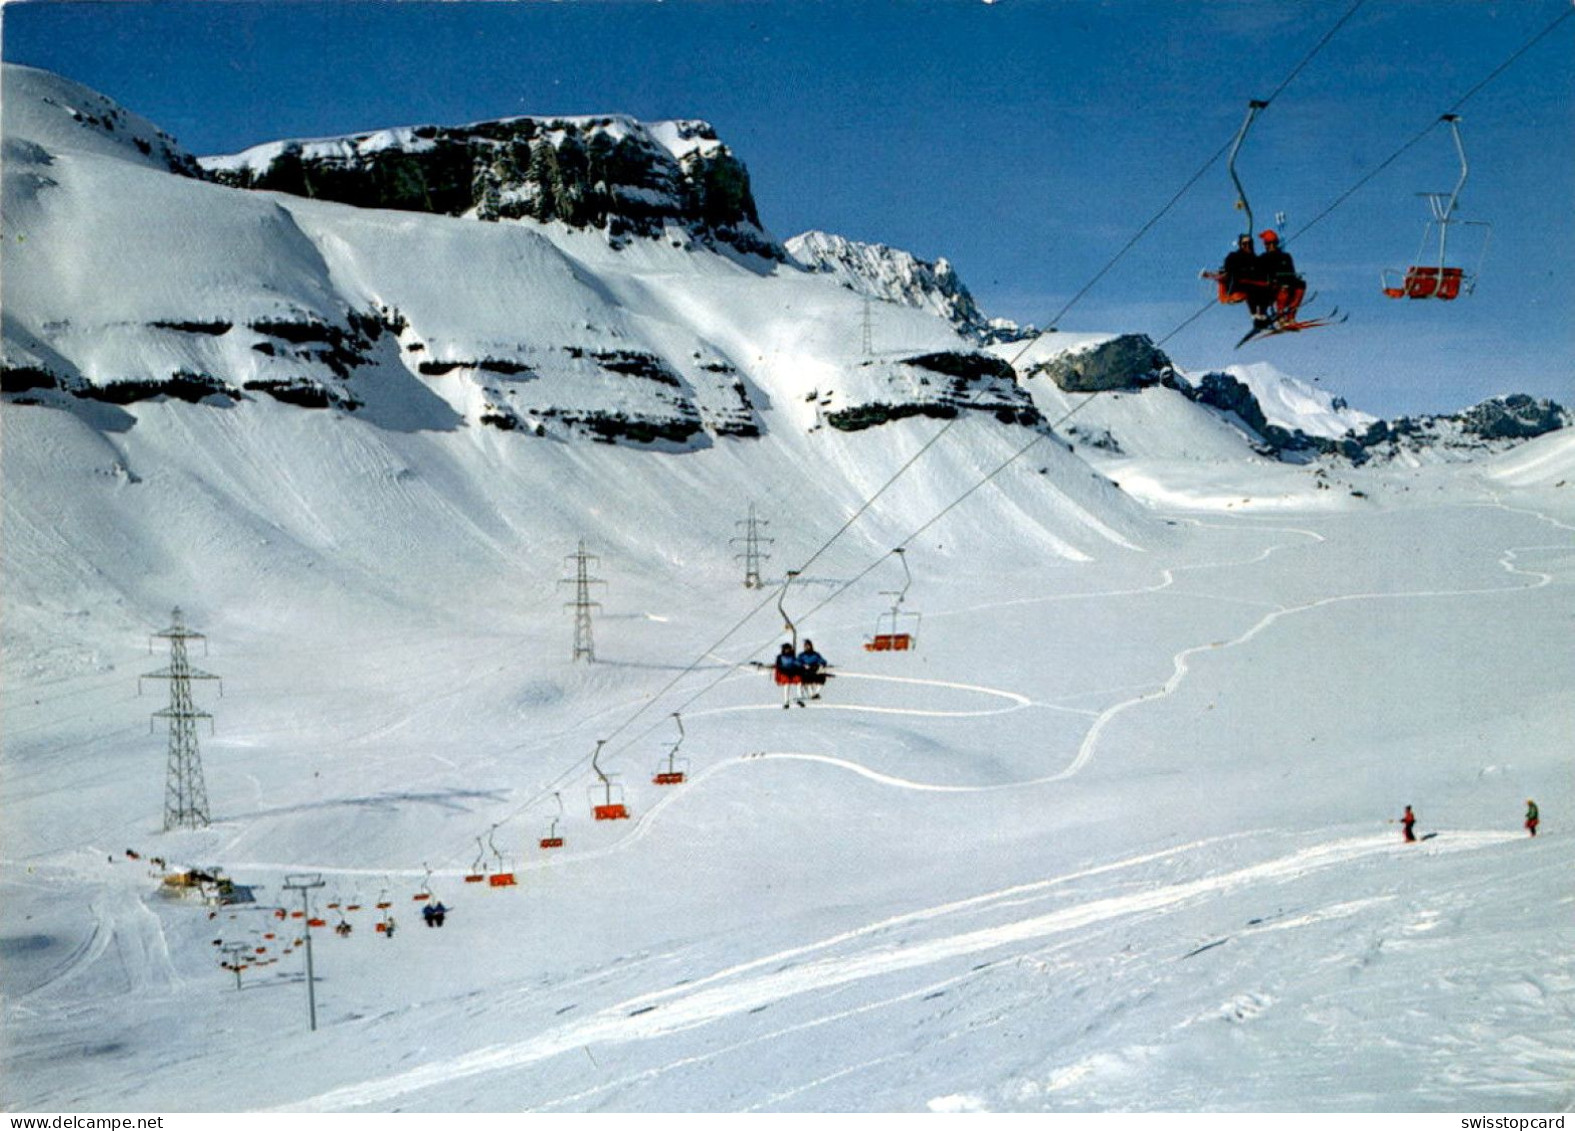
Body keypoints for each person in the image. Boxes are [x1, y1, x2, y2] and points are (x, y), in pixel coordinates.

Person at [1256, 229, 1306, 326]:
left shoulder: (1285, 257)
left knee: (1300, 285)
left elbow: (1291, 271)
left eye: (1273, 243)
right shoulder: (1263, 258)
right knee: (1284, 286)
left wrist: (1295, 278)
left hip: (1286, 284)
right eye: (1268, 243)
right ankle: (1281, 316)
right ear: (1265, 245)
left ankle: (1291, 316)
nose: (1271, 246)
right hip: (1270, 288)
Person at [773, 642, 803, 708]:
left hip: (792, 672)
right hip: (784, 673)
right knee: (787, 685)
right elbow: (779, 666)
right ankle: (786, 701)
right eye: (786, 649)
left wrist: (799, 666)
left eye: (788, 649)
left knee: (799, 682)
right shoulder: (780, 657)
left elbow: (797, 663)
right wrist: (785, 670)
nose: (787, 650)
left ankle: (799, 698)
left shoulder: (792, 656)